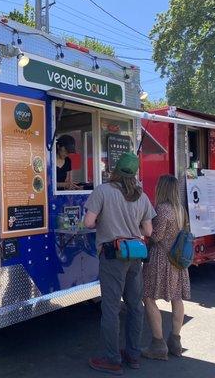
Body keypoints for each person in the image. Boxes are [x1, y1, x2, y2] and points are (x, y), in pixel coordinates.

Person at [84, 152, 156, 375]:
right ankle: (133, 355)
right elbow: (148, 231)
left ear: (114, 170)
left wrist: (106, 224)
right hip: (135, 255)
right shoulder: (141, 196)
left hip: (112, 256)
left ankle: (111, 358)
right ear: (134, 173)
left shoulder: (103, 191)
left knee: (111, 308)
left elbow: (88, 223)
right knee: (135, 306)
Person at [142, 175, 191, 360]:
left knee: (148, 296)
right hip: (178, 260)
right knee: (177, 298)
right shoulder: (181, 209)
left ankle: (158, 344)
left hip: (161, 259)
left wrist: (143, 230)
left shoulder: (162, 209)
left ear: (162, 189)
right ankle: (176, 341)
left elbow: (156, 237)